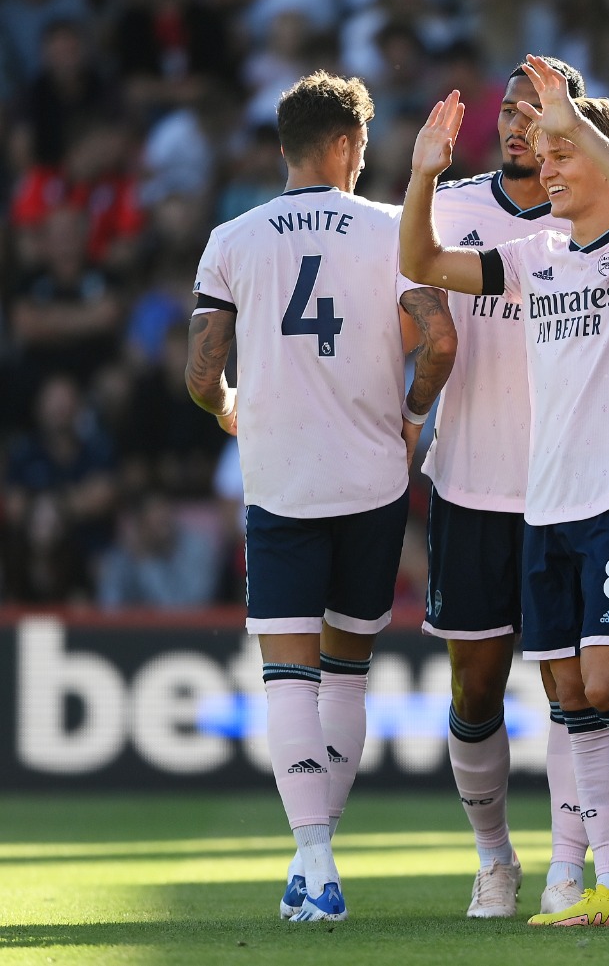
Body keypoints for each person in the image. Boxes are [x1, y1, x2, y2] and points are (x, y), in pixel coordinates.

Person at [400, 57, 609, 929]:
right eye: (543, 155)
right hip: (546, 508)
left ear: (601, 160)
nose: (546, 168)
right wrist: (425, 173)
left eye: (562, 156)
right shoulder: (533, 257)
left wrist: (580, 124)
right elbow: (421, 257)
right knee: (573, 698)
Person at [185, 70, 455, 923]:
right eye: (364, 147)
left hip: (282, 480)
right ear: (344, 146)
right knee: (346, 675)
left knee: (287, 682)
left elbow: (199, 373)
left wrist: (228, 404)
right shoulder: (390, 229)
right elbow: (439, 342)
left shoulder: (232, 238)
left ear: (285, 146)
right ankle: (317, 860)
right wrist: (412, 416)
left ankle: (316, 862)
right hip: (372, 479)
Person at [418, 54, 592, 920]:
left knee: (573, 689)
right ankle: (495, 858)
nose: (519, 122)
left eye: (540, 109)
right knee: (476, 688)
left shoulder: (599, 217)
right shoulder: (450, 209)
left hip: (573, 488)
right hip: (474, 483)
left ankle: (570, 866)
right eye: (512, 109)